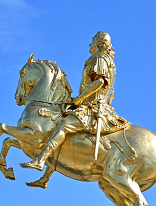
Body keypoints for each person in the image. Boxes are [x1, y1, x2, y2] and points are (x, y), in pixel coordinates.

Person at [20, 31, 129, 171]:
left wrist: (80, 98)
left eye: (93, 40)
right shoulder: (108, 60)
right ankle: (46, 177)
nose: (91, 42)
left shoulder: (99, 59)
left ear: (98, 42)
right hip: (95, 106)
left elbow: (99, 82)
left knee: (63, 126)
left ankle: (40, 161)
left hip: (92, 108)